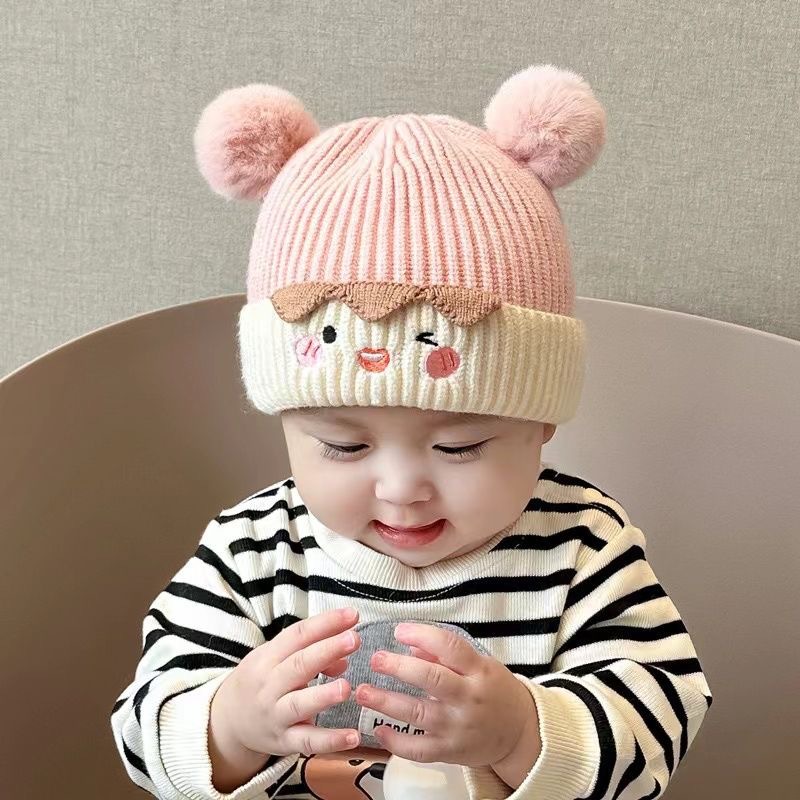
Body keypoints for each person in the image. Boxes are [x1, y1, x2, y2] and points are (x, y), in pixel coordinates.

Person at [110, 64, 712, 800]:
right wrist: (231, 725)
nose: (401, 489)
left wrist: (522, 733)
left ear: (542, 422)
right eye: (344, 445)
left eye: (459, 446)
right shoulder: (253, 549)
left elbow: (662, 715)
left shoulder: (581, 544)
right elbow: (144, 727)